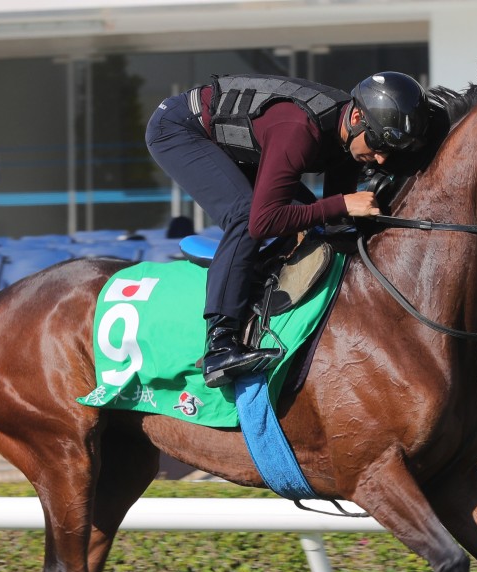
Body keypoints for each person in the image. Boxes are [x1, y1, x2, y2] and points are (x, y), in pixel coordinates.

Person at [146, 71, 429, 388]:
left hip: (240, 144)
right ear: (358, 116)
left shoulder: (348, 133)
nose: (378, 157)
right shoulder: (299, 131)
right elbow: (263, 222)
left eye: (387, 151)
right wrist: (342, 206)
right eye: (377, 144)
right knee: (245, 214)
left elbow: (336, 225)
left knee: (311, 223)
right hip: (180, 129)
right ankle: (220, 344)